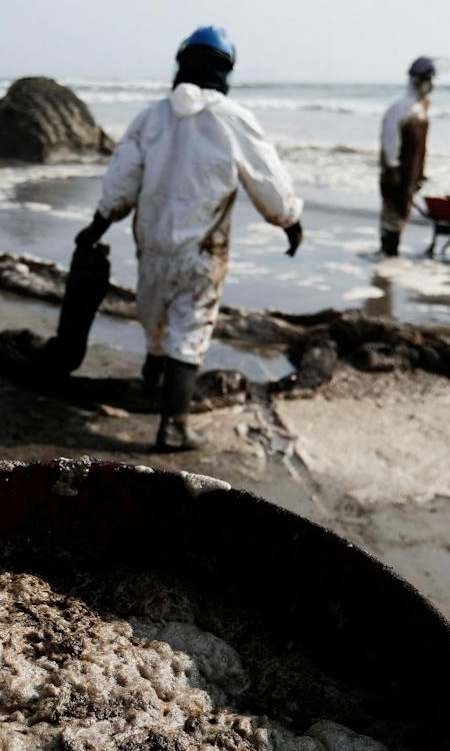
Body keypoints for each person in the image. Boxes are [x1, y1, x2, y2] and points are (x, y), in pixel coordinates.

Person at [74, 26, 304, 451]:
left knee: (155, 320)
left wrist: (98, 225)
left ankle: (151, 387)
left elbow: (121, 182)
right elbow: (267, 180)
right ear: (226, 70)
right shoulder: (233, 119)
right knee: (190, 329)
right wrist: (289, 222)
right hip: (202, 251)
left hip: (152, 246)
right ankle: (174, 426)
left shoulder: (151, 117)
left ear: (181, 64)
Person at [377, 57, 435, 256]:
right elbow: (390, 143)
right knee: (392, 217)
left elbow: (421, 148)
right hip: (396, 174)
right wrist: (392, 170)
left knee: (401, 215)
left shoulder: (421, 110)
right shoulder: (400, 109)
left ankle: (390, 254)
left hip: (410, 173)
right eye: (427, 79)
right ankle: (387, 254)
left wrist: (420, 173)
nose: (430, 84)